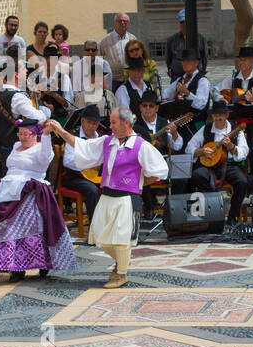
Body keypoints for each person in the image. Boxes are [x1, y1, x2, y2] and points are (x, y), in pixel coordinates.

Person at [48, 109, 168, 287]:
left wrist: (139, 182)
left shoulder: (141, 145)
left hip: (127, 198)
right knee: (99, 236)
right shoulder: (107, 142)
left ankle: (121, 273)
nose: (109, 126)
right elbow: (82, 146)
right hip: (108, 195)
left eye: (113, 122)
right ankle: (121, 262)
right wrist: (61, 131)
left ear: (126, 123)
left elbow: (160, 171)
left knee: (121, 239)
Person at [0, 118, 78, 282]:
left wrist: (46, 136)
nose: (23, 137)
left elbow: (46, 158)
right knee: (6, 228)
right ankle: (14, 267)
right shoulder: (15, 147)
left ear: (35, 135)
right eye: (20, 133)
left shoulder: (41, 149)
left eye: (27, 134)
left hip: (30, 194)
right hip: (8, 192)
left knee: (31, 227)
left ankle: (42, 262)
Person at [185, 100, 251, 224]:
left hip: (231, 166)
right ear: (212, 116)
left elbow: (244, 152)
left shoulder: (237, 129)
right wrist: (202, 151)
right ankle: (215, 206)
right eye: (215, 115)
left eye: (221, 114)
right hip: (210, 166)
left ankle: (232, 216)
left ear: (227, 115)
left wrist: (232, 146)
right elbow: (189, 147)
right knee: (197, 175)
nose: (218, 117)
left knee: (242, 182)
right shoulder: (206, 129)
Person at [0, 54, 48, 185]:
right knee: (19, 188)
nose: (26, 71)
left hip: (6, 148)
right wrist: (43, 113)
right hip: (18, 151)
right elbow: (39, 118)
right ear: (15, 74)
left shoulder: (0, 92)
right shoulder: (17, 97)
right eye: (23, 69)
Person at [132, 89, 184, 218]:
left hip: (163, 161)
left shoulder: (164, 122)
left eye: (151, 106)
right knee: (143, 171)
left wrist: (174, 133)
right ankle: (149, 207)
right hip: (143, 163)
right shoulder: (134, 125)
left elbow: (178, 145)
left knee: (181, 175)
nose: (148, 109)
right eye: (144, 106)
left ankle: (173, 209)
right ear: (140, 107)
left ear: (157, 108)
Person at [60, 104, 105, 220]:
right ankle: (95, 227)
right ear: (82, 121)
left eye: (94, 123)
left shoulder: (101, 138)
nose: (91, 126)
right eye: (88, 122)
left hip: (97, 177)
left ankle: (109, 224)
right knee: (92, 191)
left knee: (115, 186)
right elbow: (68, 161)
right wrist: (91, 161)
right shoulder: (73, 136)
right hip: (75, 178)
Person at [162, 48, 212, 123]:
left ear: (196, 62)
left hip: (197, 123)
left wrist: (187, 93)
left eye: (188, 61)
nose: (184, 63)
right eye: (183, 61)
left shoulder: (202, 81)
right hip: (179, 123)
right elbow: (165, 93)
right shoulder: (179, 80)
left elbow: (201, 105)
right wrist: (164, 99)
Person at [164, 9, 208, 81]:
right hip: (177, 77)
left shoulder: (201, 39)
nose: (185, 25)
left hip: (195, 77)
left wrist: (201, 71)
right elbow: (168, 58)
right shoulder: (171, 40)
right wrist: (171, 70)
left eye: (187, 22)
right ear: (179, 23)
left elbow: (204, 58)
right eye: (182, 22)